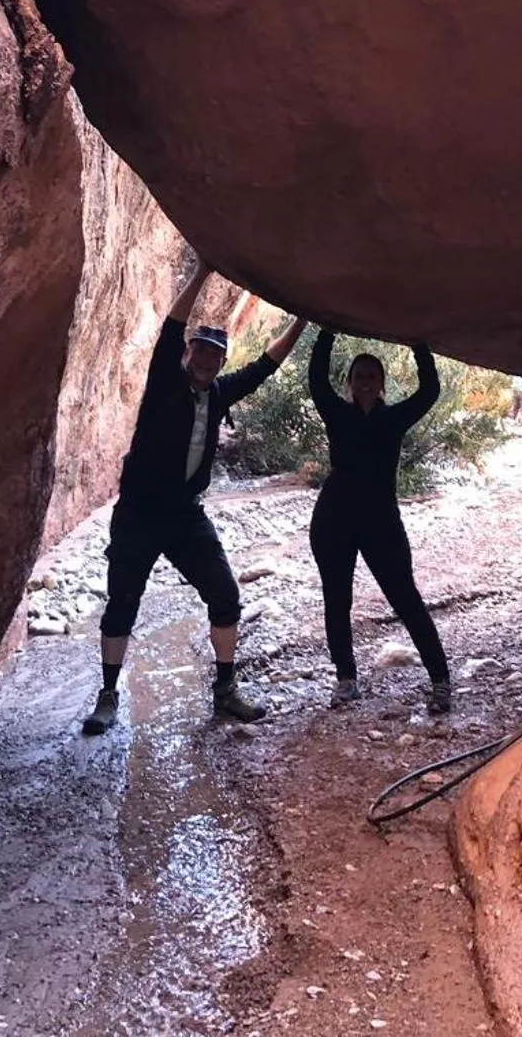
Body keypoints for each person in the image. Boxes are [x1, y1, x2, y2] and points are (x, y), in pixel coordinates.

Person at [81, 260, 308, 736]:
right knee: (123, 601)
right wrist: (203, 271)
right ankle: (107, 696)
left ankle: (225, 691)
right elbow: (170, 329)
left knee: (225, 596)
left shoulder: (221, 393)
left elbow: (266, 366)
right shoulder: (164, 382)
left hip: (186, 517)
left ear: (220, 363)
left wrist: (303, 321)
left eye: (213, 358)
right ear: (188, 356)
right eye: (198, 354)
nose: (204, 363)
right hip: (139, 515)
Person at [306, 329, 452, 713]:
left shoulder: (394, 419)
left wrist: (419, 344)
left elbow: (430, 391)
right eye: (360, 377)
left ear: (382, 383)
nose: (366, 383)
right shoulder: (337, 413)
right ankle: (346, 681)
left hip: (381, 522)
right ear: (350, 383)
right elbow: (317, 381)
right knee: (337, 601)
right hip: (333, 520)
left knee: (405, 598)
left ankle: (440, 681)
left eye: (372, 377)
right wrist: (325, 332)